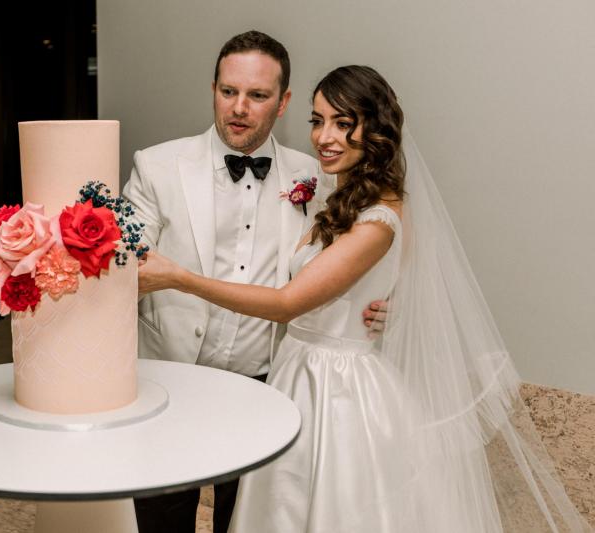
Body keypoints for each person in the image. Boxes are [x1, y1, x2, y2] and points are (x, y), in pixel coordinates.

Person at [138, 65, 592, 532]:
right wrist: (386, 305)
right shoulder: (336, 197)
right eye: (317, 121)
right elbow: (383, 285)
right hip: (295, 375)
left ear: (374, 129)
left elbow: (289, 302)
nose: (325, 137)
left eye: (343, 122)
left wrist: (179, 277)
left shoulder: (378, 221)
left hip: (339, 393)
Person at [123, 31, 385, 533]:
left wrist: (383, 300)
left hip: (265, 388)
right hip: (169, 380)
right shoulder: (156, 166)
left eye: (258, 96)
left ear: (284, 102)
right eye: (228, 92)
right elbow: (124, 264)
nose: (239, 108)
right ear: (214, 88)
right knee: (158, 521)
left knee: (247, 522)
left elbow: (357, 249)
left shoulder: (319, 174)